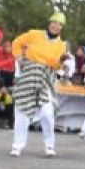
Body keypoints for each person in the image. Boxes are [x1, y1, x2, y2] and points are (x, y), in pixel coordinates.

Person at [9, 12, 68, 157]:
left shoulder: (61, 45)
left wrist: (61, 61)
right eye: (54, 22)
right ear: (49, 23)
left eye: (60, 24)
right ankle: (17, 145)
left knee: (47, 113)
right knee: (21, 110)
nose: (56, 26)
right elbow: (17, 42)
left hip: (45, 79)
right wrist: (18, 57)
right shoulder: (35, 34)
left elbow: (56, 65)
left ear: (62, 28)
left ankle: (49, 145)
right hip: (29, 75)